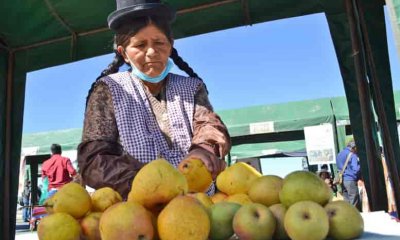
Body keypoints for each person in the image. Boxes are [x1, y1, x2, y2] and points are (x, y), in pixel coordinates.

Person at [77, 0, 231, 198]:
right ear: (124, 53)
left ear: (171, 44)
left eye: (159, 43)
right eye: (140, 45)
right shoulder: (108, 90)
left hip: (197, 205)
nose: (151, 52)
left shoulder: (193, 88)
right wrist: (151, 184)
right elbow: (94, 160)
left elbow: (209, 127)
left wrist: (204, 150)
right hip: (134, 212)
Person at [336, 140, 361, 210]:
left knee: (346, 200)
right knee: (354, 200)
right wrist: (360, 165)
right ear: (354, 147)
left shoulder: (339, 154)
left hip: (342, 180)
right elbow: (355, 169)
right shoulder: (352, 155)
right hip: (350, 180)